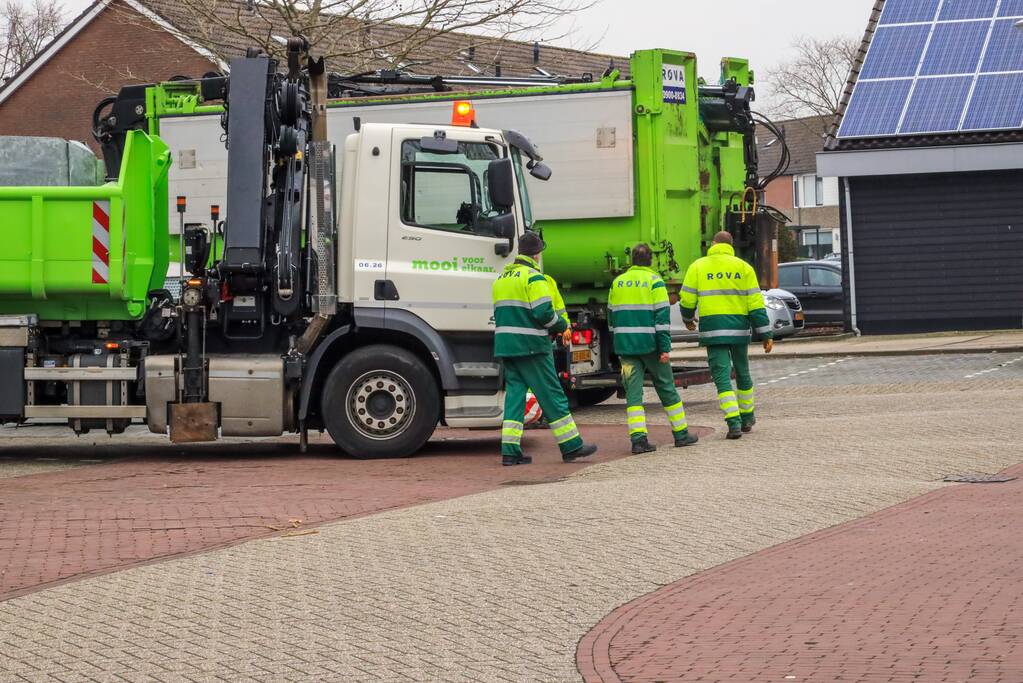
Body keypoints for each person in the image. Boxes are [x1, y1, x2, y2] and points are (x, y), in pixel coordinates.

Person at [493, 231, 599, 466]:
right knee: (552, 394)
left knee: (515, 397)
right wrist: (561, 326)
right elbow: (543, 313)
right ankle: (572, 446)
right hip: (531, 346)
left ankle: (510, 451)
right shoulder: (534, 278)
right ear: (537, 254)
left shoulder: (502, 278)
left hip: (506, 347)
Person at [679, 231, 774, 440]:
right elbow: (755, 304)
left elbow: (686, 299)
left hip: (714, 331)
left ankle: (733, 423)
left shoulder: (698, 266)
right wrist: (766, 333)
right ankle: (747, 417)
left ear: (713, 244)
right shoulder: (744, 268)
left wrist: (687, 318)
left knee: (722, 378)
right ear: (731, 245)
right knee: (742, 372)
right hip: (739, 330)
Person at [609, 244, 699, 454]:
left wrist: (618, 342)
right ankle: (681, 434)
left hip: (627, 347)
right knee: (666, 388)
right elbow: (661, 319)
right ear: (650, 261)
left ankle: (638, 440)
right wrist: (664, 348)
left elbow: (611, 317)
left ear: (632, 260)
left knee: (633, 394)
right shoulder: (655, 282)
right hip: (651, 346)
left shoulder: (617, 283)